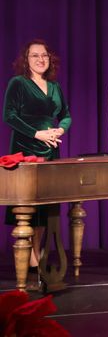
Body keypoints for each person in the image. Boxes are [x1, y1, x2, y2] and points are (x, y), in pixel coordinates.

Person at [3, 39, 71, 272]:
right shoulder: (18, 83)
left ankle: (37, 254)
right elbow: (9, 116)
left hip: (50, 150)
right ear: (26, 59)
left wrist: (60, 130)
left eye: (44, 55)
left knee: (44, 207)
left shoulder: (55, 86)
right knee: (28, 206)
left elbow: (66, 115)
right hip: (26, 149)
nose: (41, 59)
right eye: (35, 55)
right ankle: (30, 259)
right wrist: (37, 133)